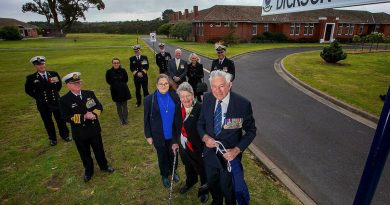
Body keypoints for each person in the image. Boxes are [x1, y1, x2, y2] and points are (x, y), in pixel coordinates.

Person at [197, 70, 256, 205]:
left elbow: (251, 131)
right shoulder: (207, 99)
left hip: (228, 159)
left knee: (228, 188)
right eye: (214, 87)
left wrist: (236, 150)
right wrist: (205, 138)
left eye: (221, 86)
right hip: (210, 156)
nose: (217, 91)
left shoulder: (243, 104)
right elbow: (200, 123)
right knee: (213, 184)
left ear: (229, 85)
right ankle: (217, 201)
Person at [59, 72, 114, 182]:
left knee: (99, 149)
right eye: (74, 83)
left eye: (79, 82)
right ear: (68, 85)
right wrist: (83, 117)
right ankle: (89, 171)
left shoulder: (89, 94)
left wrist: (94, 114)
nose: (78, 84)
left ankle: (103, 165)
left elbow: (99, 107)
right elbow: (65, 117)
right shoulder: (64, 100)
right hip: (80, 132)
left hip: (94, 129)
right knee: (84, 153)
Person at [144, 74, 182, 188]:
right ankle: (164, 175)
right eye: (161, 84)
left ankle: (173, 171)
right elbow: (146, 119)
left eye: (166, 83)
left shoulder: (175, 96)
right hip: (158, 135)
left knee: (173, 154)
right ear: (156, 85)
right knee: (162, 156)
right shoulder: (149, 99)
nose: (163, 85)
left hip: (173, 134)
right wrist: (148, 135)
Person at [25, 56, 71, 146]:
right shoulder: (31, 78)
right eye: (38, 65)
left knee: (61, 119)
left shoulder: (53, 74)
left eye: (42, 64)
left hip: (56, 101)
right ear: (35, 66)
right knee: (47, 121)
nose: (41, 66)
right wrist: (38, 97)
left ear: (45, 64)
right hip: (43, 104)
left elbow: (58, 86)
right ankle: (52, 138)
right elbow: (28, 90)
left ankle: (65, 135)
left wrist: (54, 94)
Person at [176, 82, 209, 204]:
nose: (186, 99)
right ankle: (191, 181)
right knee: (188, 165)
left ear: (193, 94)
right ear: (179, 98)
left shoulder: (200, 108)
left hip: (198, 147)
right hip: (183, 146)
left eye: (188, 95)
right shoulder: (178, 109)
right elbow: (176, 126)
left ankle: (204, 190)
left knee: (202, 169)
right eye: (182, 96)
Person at [105, 57, 131, 125]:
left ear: (119, 63)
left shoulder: (123, 70)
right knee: (118, 106)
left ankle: (126, 119)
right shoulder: (109, 72)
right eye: (114, 63)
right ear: (112, 64)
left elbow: (126, 79)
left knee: (124, 105)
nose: (116, 64)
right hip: (115, 91)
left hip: (123, 90)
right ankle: (121, 119)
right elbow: (108, 81)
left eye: (117, 63)